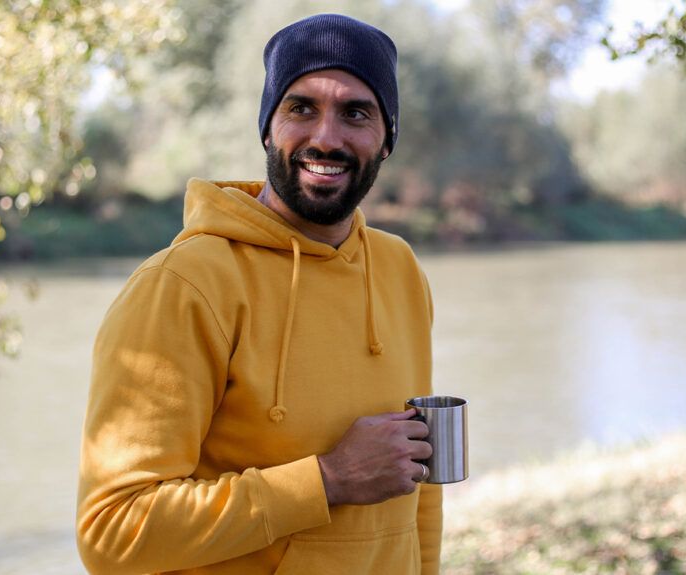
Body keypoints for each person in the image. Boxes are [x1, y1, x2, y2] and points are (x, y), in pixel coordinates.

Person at [76, 13, 441, 575]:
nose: (326, 137)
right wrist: (328, 479)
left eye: (356, 113)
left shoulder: (398, 267)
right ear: (268, 128)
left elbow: (417, 476)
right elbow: (114, 531)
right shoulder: (183, 285)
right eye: (301, 108)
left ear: (387, 139)